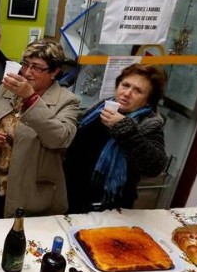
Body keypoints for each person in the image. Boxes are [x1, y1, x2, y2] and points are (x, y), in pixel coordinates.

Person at [0, 39, 80, 218]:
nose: (27, 72)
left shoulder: (67, 101)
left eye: (37, 68)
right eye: (25, 64)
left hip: (29, 194)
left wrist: (30, 98)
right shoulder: (8, 88)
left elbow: (59, 138)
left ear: (55, 71)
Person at [64, 63, 168, 213]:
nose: (127, 93)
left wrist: (124, 128)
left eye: (137, 91)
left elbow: (154, 166)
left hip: (106, 207)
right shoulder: (100, 108)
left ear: (148, 100)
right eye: (125, 85)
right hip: (69, 195)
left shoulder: (149, 124)